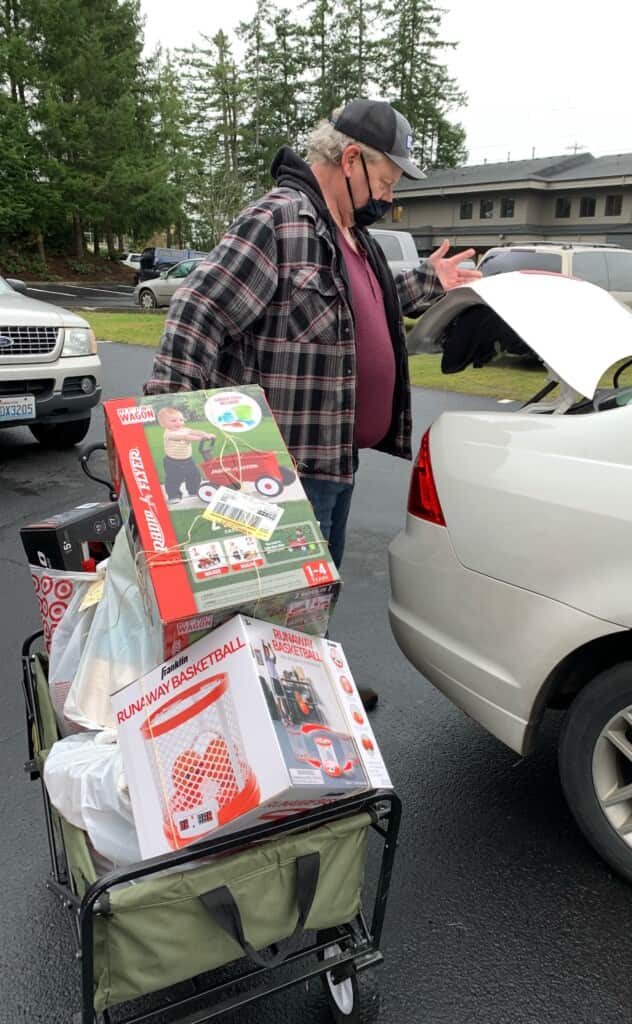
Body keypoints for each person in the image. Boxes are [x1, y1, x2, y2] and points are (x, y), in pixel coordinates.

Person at [144, 97, 481, 709]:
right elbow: (199, 310)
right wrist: (167, 427)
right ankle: (266, 718)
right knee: (269, 602)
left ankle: (308, 690)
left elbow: (365, 304)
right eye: (384, 181)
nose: (388, 197)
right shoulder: (280, 220)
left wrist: (433, 281)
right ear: (350, 158)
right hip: (281, 468)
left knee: (314, 593)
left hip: (336, 458)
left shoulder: (352, 235)